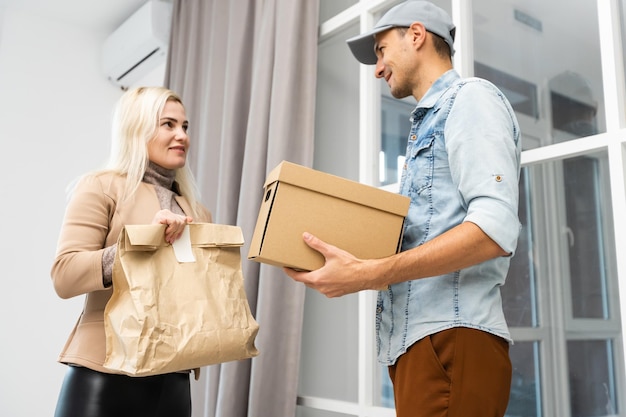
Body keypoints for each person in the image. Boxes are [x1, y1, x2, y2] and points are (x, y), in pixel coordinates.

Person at [284, 2, 521, 417]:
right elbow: (433, 232)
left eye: (380, 51)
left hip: (452, 340)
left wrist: (367, 275)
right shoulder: (426, 126)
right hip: (420, 347)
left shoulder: (470, 100)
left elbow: (494, 228)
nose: (377, 69)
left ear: (416, 35)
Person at [51, 86, 212, 417]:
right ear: (138, 128)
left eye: (185, 126)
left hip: (174, 382)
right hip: (105, 375)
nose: (181, 135)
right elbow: (65, 275)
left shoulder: (198, 211)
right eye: (168, 124)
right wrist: (142, 244)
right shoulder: (100, 186)